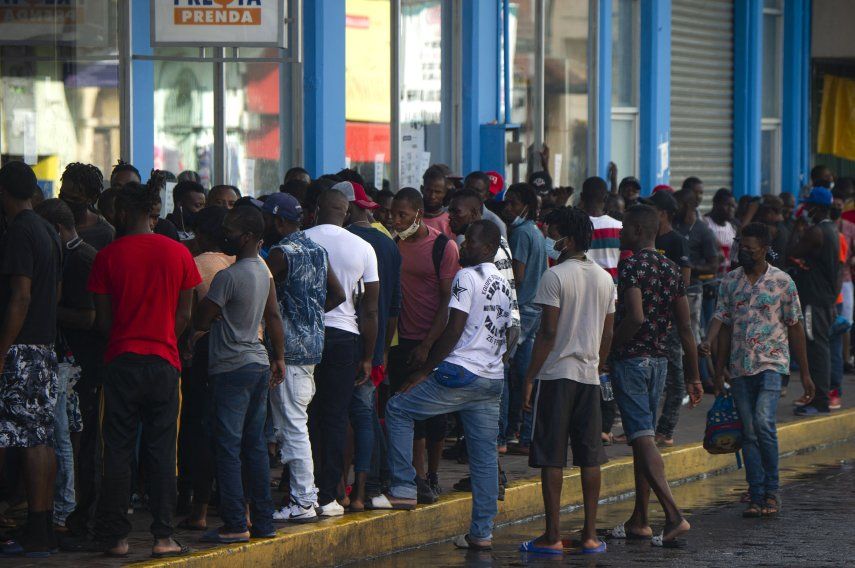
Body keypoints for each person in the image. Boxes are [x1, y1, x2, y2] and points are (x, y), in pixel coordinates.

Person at [72, 181, 200, 557]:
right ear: (151, 213)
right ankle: (163, 537)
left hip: (120, 362)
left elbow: (102, 320)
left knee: (117, 450)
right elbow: (185, 314)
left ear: (124, 213)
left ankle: (116, 538)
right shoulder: (178, 253)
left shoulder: (107, 256)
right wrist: (162, 337)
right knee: (162, 451)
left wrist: (126, 336)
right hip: (164, 364)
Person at [370, 221, 512, 554]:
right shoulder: (503, 283)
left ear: (487, 248)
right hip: (491, 379)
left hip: (461, 372)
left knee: (397, 408)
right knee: (484, 459)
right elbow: (505, 331)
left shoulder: (466, 277)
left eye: (470, 242)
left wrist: (425, 370)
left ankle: (404, 487)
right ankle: (481, 534)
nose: (462, 246)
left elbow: (453, 327)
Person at [518, 207, 614, 555]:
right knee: (590, 457)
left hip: (556, 375)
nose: (550, 239)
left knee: (551, 457)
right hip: (589, 377)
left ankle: (552, 535)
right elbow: (608, 333)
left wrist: (529, 376)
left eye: (554, 233)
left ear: (568, 239)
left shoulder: (554, 276)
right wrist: (597, 365)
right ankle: (590, 535)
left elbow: (547, 332)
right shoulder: (604, 278)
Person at [607, 204, 702, 548]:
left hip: (632, 361)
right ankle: (640, 520)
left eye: (623, 228)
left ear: (636, 230)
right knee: (641, 437)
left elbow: (635, 317)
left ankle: (673, 516)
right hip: (659, 362)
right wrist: (694, 376)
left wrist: (609, 351)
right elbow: (686, 328)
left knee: (643, 438)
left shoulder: (631, 265)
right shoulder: (671, 268)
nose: (620, 233)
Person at [193, 206, 285, 544]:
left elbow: (202, 319)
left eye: (230, 230)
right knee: (255, 447)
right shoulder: (263, 270)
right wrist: (279, 357)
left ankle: (234, 523)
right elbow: (273, 316)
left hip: (231, 367)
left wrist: (208, 315)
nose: (225, 235)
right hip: (258, 363)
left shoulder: (228, 277)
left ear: (246, 236)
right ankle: (263, 522)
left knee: (228, 448)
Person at [713, 222, 814, 517]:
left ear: (764, 249)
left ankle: (772, 490)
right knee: (748, 432)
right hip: (739, 367)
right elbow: (723, 327)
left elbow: (795, 328)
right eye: (740, 246)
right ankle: (756, 495)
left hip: (772, 364)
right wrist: (718, 370)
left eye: (749, 248)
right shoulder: (730, 281)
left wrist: (805, 374)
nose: (743, 252)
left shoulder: (783, 282)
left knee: (763, 422)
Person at [265, 193, 345, 523]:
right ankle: (304, 497)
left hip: (288, 351)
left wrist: (292, 320)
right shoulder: (317, 250)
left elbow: (263, 296)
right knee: (297, 422)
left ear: (278, 221)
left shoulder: (280, 253)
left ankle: (303, 500)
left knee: (293, 425)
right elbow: (338, 294)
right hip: (312, 347)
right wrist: (310, 317)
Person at [0, 162, 62, 557]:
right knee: (39, 437)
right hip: (44, 348)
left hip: (21, 350)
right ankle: (41, 526)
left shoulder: (20, 231)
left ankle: (35, 528)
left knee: (20, 439)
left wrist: (2, 348)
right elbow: (54, 292)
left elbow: (20, 296)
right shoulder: (47, 230)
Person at [305, 188, 379, 516]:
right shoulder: (363, 248)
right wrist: (368, 357)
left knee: (304, 415)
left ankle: (303, 488)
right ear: (347, 213)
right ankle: (329, 494)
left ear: (316, 210)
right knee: (335, 417)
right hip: (345, 337)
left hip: (306, 336)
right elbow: (370, 310)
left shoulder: (299, 241)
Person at [388, 187, 460, 501]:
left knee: (436, 416)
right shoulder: (395, 245)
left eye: (402, 215)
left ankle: (432, 473)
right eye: (393, 214)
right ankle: (416, 476)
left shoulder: (444, 247)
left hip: (433, 340)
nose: (396, 220)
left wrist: (429, 344)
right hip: (402, 340)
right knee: (409, 410)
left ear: (418, 214)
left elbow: (447, 300)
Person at [33, 199, 100, 534]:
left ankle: (65, 511)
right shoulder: (76, 254)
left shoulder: (80, 259)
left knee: (65, 436)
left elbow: (88, 317)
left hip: (77, 364)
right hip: (71, 362)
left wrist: (43, 308)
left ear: (57, 229)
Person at [339, 181, 402, 511]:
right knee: (366, 416)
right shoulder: (388, 243)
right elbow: (392, 307)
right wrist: (383, 350)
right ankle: (368, 489)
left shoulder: (341, 240)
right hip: (375, 345)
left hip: (344, 342)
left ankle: (340, 488)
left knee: (341, 417)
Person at [448, 189, 520, 458]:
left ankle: (494, 444)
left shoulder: (488, 248)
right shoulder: (478, 242)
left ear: (475, 213)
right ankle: (478, 449)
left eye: (456, 211)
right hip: (497, 326)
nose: (450, 216)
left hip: (499, 326)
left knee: (490, 392)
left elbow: (494, 297)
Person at [175, 206, 231, 532]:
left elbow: (192, 316)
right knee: (233, 432)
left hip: (206, 352)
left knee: (199, 429)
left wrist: (188, 342)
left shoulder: (197, 263)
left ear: (201, 234)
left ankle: (197, 506)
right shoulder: (249, 263)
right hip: (248, 354)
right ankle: (234, 503)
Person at [643, 191, 691, 447]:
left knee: (674, 374)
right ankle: (645, 428)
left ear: (662, 214)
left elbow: (684, 282)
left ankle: (667, 429)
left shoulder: (677, 241)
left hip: (668, 319)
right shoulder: (647, 239)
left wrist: (671, 313)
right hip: (647, 317)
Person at [502, 182, 547, 455]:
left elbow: (516, 276)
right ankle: (525, 433)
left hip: (521, 310)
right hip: (535, 310)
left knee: (504, 371)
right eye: (506, 202)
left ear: (526, 207)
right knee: (526, 374)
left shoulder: (520, 233)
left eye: (513, 203)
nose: (507, 208)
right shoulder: (535, 232)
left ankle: (505, 433)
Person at [788, 187, 840, 416]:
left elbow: (791, 250)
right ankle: (819, 397)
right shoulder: (831, 230)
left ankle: (820, 400)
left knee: (816, 348)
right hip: (824, 298)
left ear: (817, 208)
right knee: (819, 346)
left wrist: (796, 226)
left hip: (814, 300)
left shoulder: (816, 232)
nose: (806, 209)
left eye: (809, 206)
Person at [59, 162, 114, 251]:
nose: (66, 202)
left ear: (91, 199)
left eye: (74, 199)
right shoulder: (52, 221)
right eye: (62, 195)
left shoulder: (105, 233)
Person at [463, 171, 508, 239]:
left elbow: (503, 246)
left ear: (486, 195)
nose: (472, 193)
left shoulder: (497, 223)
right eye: (469, 189)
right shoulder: (448, 214)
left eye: (477, 191)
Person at [421, 165, 455, 238]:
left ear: (445, 193)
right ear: (422, 189)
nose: (432, 196)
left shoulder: (450, 222)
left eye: (438, 192)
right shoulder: (412, 218)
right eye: (428, 190)